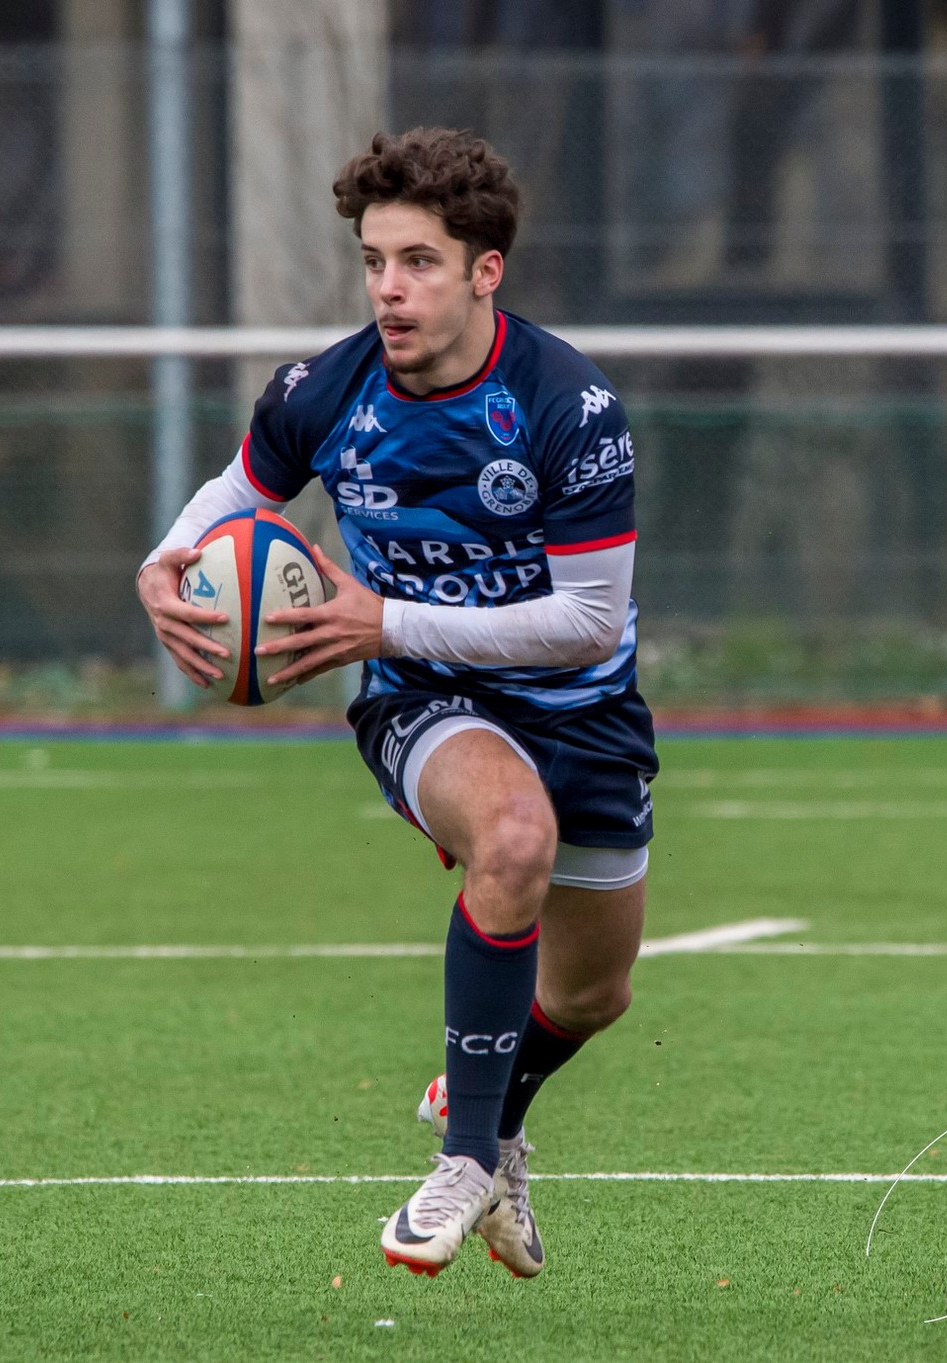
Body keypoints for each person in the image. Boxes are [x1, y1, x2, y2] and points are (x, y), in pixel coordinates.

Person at [135, 126, 655, 1279]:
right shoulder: (326, 388)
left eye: (418, 260)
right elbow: (239, 484)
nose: (387, 288)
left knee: (592, 990)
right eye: (373, 260)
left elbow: (582, 619)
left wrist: (382, 616)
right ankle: (466, 1158)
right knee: (512, 837)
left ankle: (492, 1113)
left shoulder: (570, 408)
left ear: (484, 270)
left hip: (583, 711)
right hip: (421, 700)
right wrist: (166, 554)